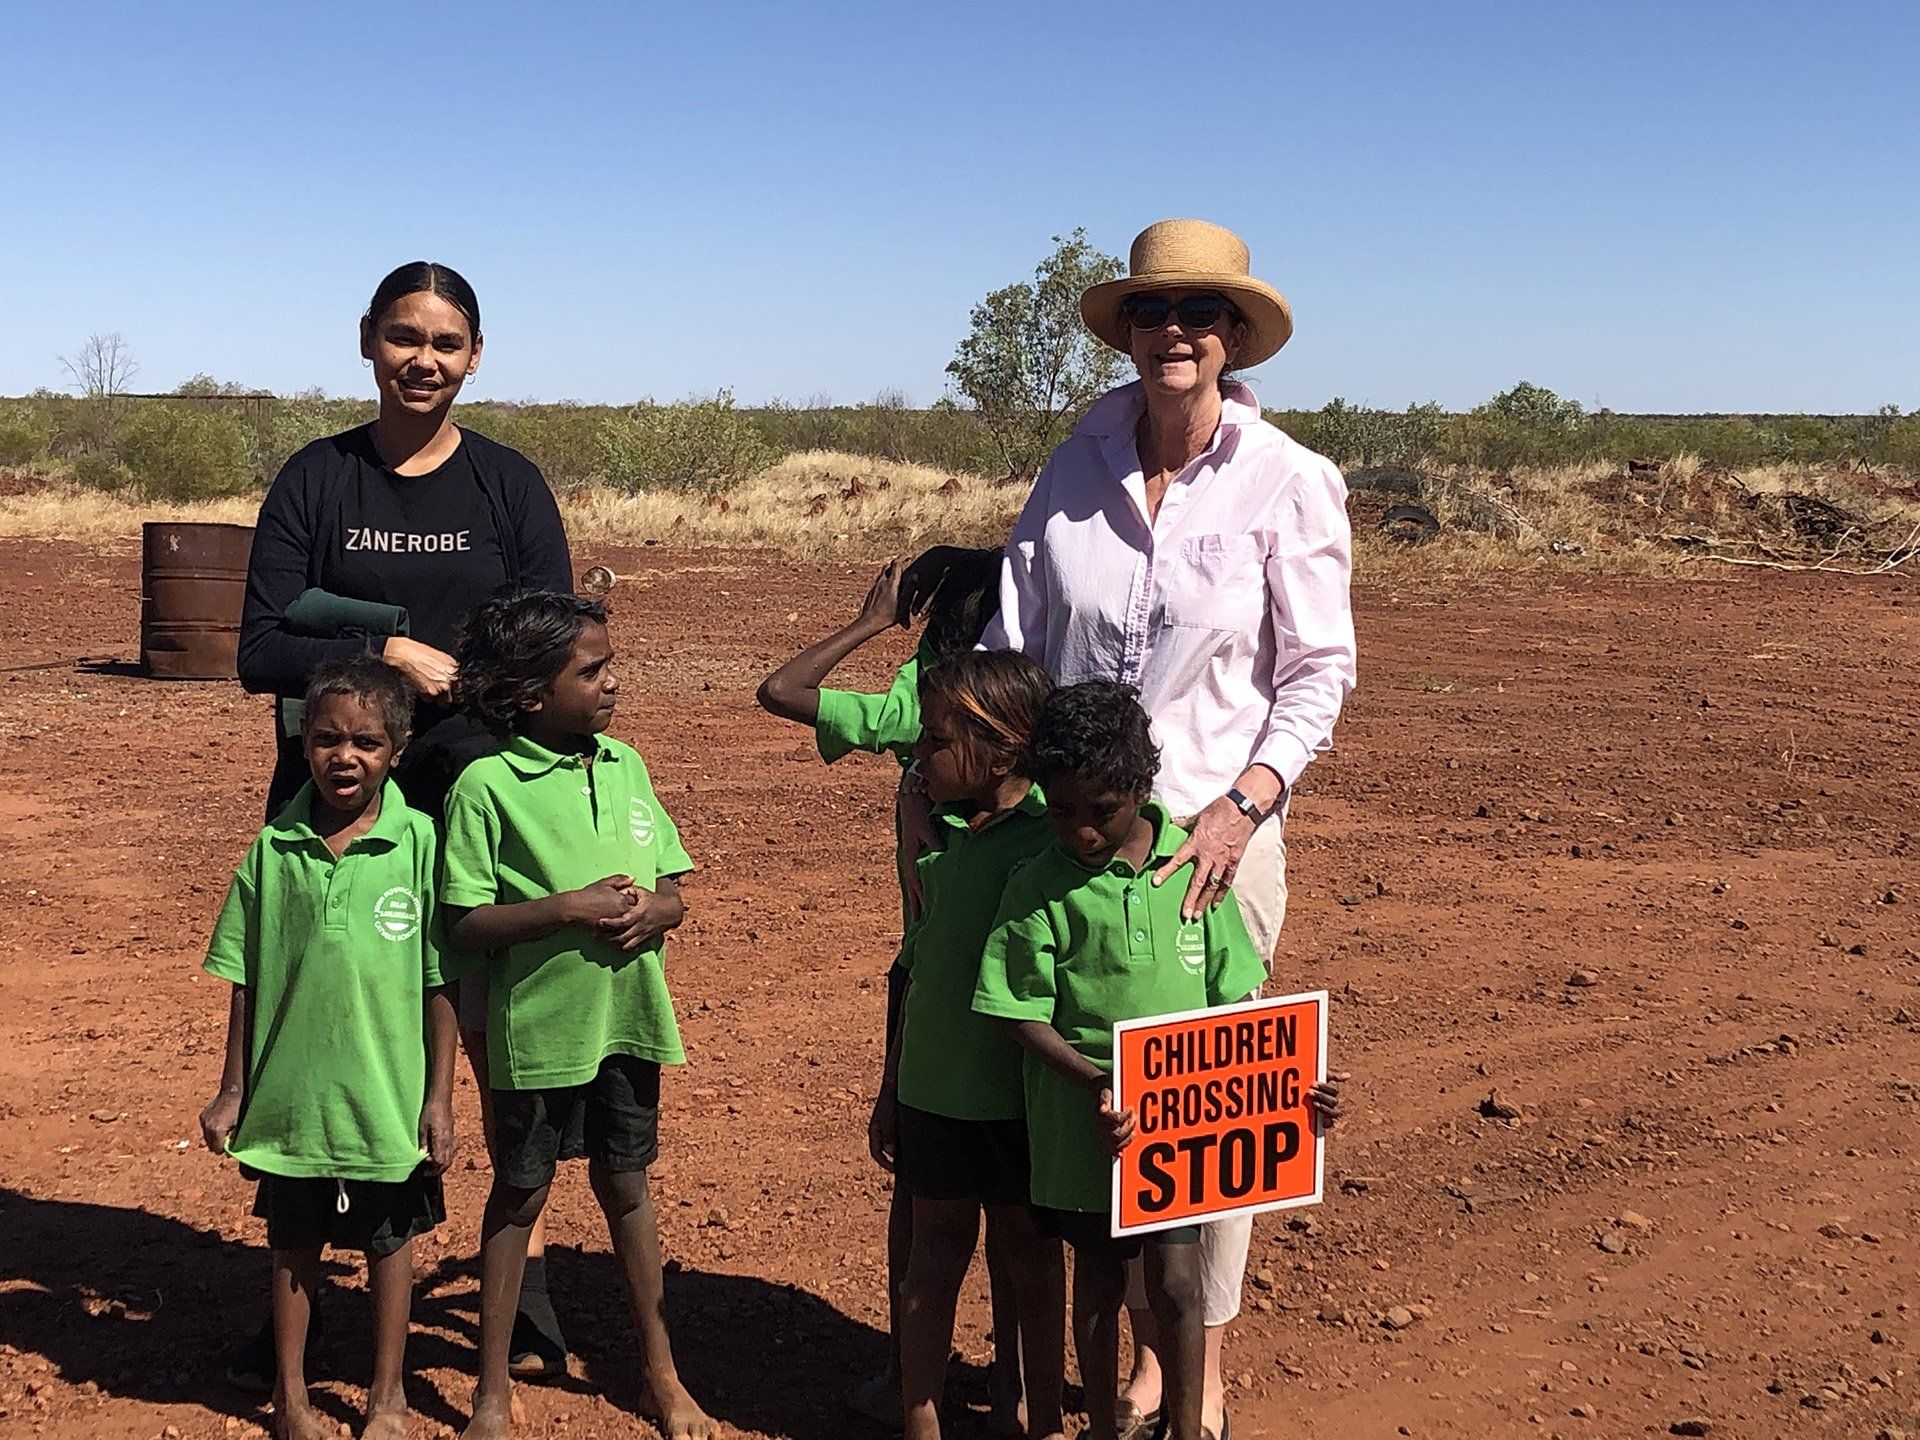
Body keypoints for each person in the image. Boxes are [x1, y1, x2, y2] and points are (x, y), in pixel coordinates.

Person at [977, 219, 1358, 1438]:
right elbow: (1014, 641)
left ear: (1234, 334)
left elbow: (1317, 672)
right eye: (1152, 311)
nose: (1174, 332)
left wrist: (1245, 806)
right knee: (1091, 1099)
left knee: (1204, 1110)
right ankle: (1118, 1344)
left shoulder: (1287, 477)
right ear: (1127, 332)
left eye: (1200, 313)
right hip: (1071, 841)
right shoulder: (1073, 467)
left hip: (1210, 843)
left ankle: (1189, 1364)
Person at [235, 260, 576, 1383]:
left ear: (474, 356)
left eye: (445, 342)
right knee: (321, 1031)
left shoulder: (508, 486)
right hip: (339, 801)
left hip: (476, 800)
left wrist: (479, 689)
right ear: (367, 341)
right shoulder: (316, 478)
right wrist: (384, 651)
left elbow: (553, 644)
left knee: (490, 1040)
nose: (422, 360)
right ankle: (301, 1292)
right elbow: (258, 649)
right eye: (403, 337)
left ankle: (523, 1292)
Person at [973, 682, 1341, 1440]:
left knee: (1179, 1278)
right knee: (1100, 1278)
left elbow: (1236, 1003)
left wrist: (1293, 1087)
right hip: (1086, 1126)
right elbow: (1016, 1011)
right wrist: (1095, 1080)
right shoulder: (1038, 886)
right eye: (1062, 810)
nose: (1080, 830)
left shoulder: (1197, 868)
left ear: (1143, 786)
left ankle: (1186, 1421)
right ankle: (1104, 1430)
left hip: (1179, 1128)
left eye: (1101, 810)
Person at [440, 589, 712, 1440]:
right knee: (520, 1193)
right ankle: (490, 1392)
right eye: (592, 671)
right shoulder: (485, 786)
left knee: (627, 1187)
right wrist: (565, 908)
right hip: (537, 1032)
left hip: (628, 1021)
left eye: (610, 666)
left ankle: (661, 1375)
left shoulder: (625, 764)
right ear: (530, 695)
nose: (612, 683)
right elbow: (463, 924)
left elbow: (672, 886)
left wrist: (661, 911)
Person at [756, 544, 1006, 1428]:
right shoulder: (1021, 709)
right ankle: (1012, 1387)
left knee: (924, 1193)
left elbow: (783, 691)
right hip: (1017, 979)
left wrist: (871, 621)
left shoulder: (926, 698)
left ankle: (910, 1376)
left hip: (930, 976)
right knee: (1016, 1205)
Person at [197, 656, 457, 1440]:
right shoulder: (272, 849)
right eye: (327, 739)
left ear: (397, 751)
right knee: (292, 1241)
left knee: (390, 1241)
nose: (345, 757)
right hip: (293, 1094)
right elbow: (244, 973)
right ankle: (291, 1398)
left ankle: (388, 1395)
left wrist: (439, 1099)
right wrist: (233, 1089)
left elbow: (441, 979)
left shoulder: (420, 844)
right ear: (303, 741)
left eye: (366, 743)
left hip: (387, 1092)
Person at [869, 651, 1066, 1440]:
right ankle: (921, 1418)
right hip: (935, 1089)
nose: (919, 757)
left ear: (1004, 752)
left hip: (1024, 1096)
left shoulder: (1058, 835)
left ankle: (1042, 1421)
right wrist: (890, 1087)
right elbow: (913, 966)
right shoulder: (938, 830)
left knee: (1032, 1258)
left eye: (936, 741)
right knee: (934, 1256)